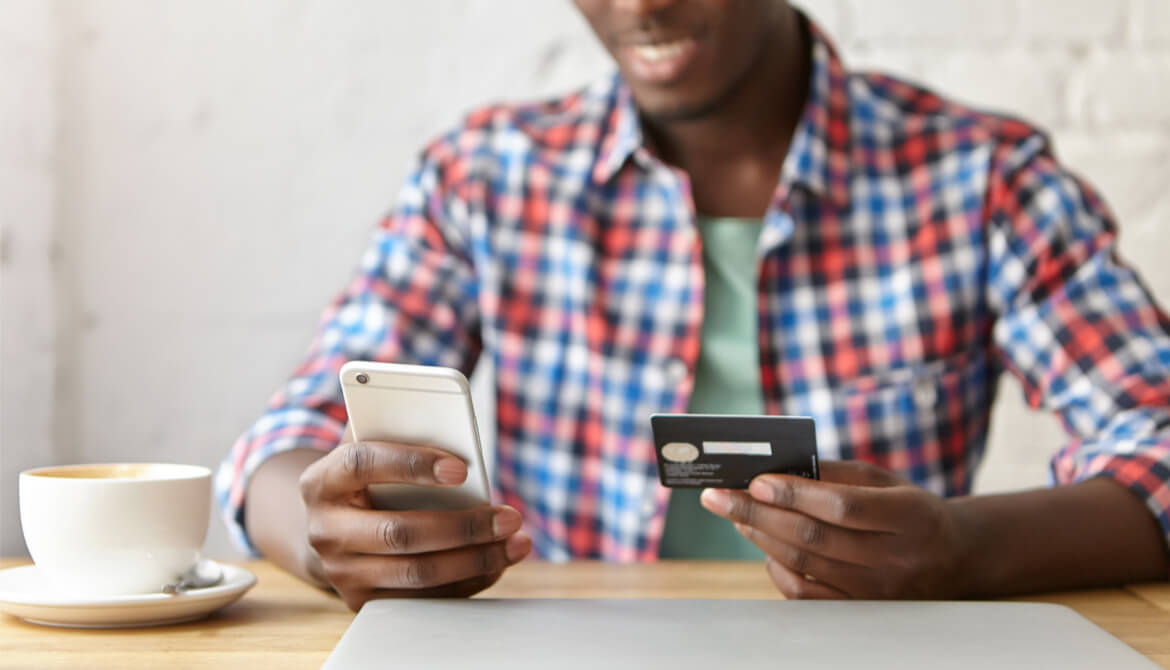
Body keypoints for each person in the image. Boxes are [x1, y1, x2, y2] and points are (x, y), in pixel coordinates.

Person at [218, 0, 1170, 610]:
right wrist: (328, 534)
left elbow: (1158, 438)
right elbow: (283, 444)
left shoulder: (983, 180)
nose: (640, 5)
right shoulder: (484, 178)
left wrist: (962, 549)